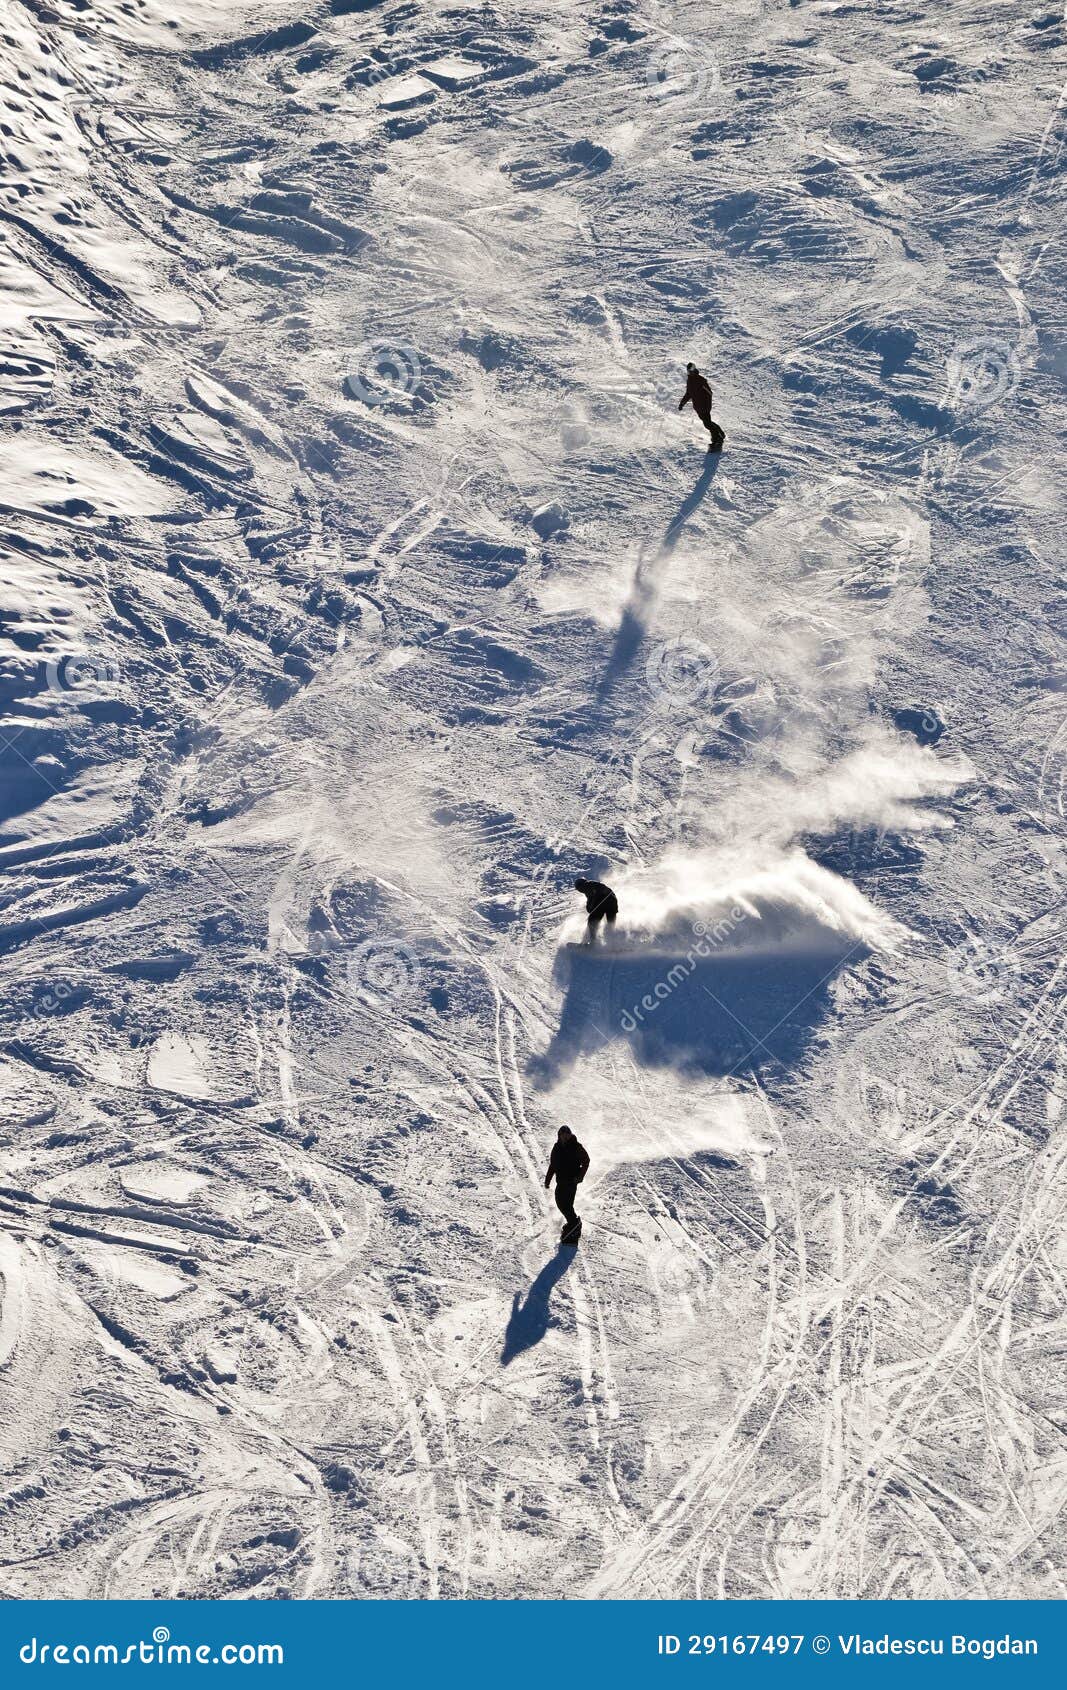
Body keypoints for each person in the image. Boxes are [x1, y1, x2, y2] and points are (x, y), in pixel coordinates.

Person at [544, 1125, 590, 1240]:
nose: (564, 1137)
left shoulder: (576, 1146)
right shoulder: (556, 1147)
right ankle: (573, 1223)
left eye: (566, 1135)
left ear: (570, 1135)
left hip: (571, 1181)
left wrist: (580, 1176)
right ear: (559, 1136)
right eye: (562, 1135)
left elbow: (586, 1160)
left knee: (567, 1204)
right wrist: (547, 1179)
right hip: (560, 1181)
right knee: (559, 1202)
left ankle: (574, 1224)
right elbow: (553, 1164)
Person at [678, 361, 725, 451]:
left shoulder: (701, 380)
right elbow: (688, 394)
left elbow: (709, 392)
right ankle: (719, 432)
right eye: (688, 371)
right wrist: (682, 403)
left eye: (690, 371)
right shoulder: (689, 381)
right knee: (707, 423)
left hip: (704, 406)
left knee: (707, 423)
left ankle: (717, 440)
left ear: (694, 370)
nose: (689, 373)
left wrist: (707, 403)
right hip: (698, 407)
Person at [574, 876, 618, 944]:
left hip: (610, 902)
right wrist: (589, 908)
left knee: (610, 921)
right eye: (578, 889)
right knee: (592, 920)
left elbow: (602, 888)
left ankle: (613, 942)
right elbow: (589, 904)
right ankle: (593, 941)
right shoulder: (587, 892)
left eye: (579, 888)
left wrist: (600, 894)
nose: (580, 891)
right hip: (602, 905)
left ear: (582, 885)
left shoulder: (592, 884)